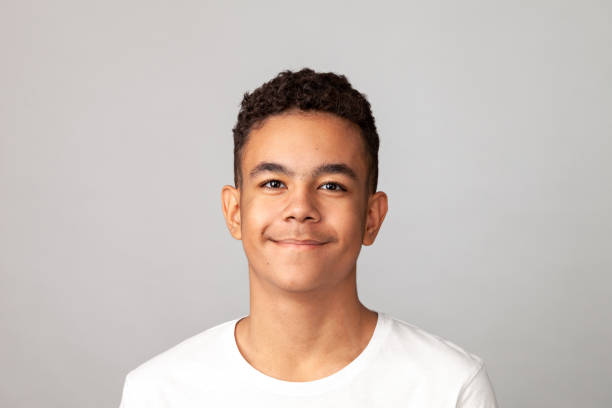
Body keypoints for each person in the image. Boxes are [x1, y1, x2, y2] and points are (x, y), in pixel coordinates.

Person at [118, 68, 499, 407]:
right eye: (273, 183)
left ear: (371, 217)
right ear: (235, 212)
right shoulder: (159, 393)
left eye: (332, 185)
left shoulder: (448, 388)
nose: (300, 208)